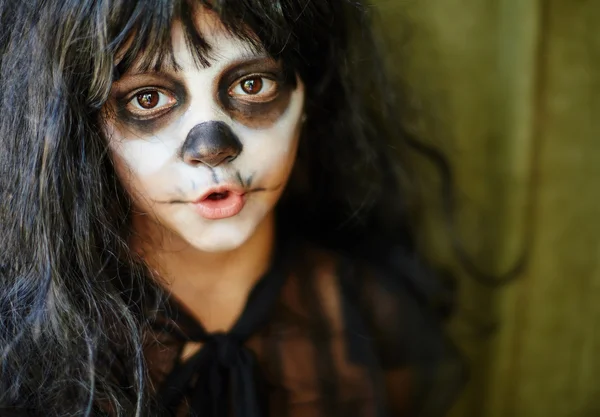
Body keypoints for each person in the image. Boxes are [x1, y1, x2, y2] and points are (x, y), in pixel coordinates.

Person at [0, 0, 465, 416]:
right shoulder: (31, 353)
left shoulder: (372, 319)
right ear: (85, 127)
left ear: (308, 96)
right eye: (149, 98)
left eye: (252, 84)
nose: (212, 147)